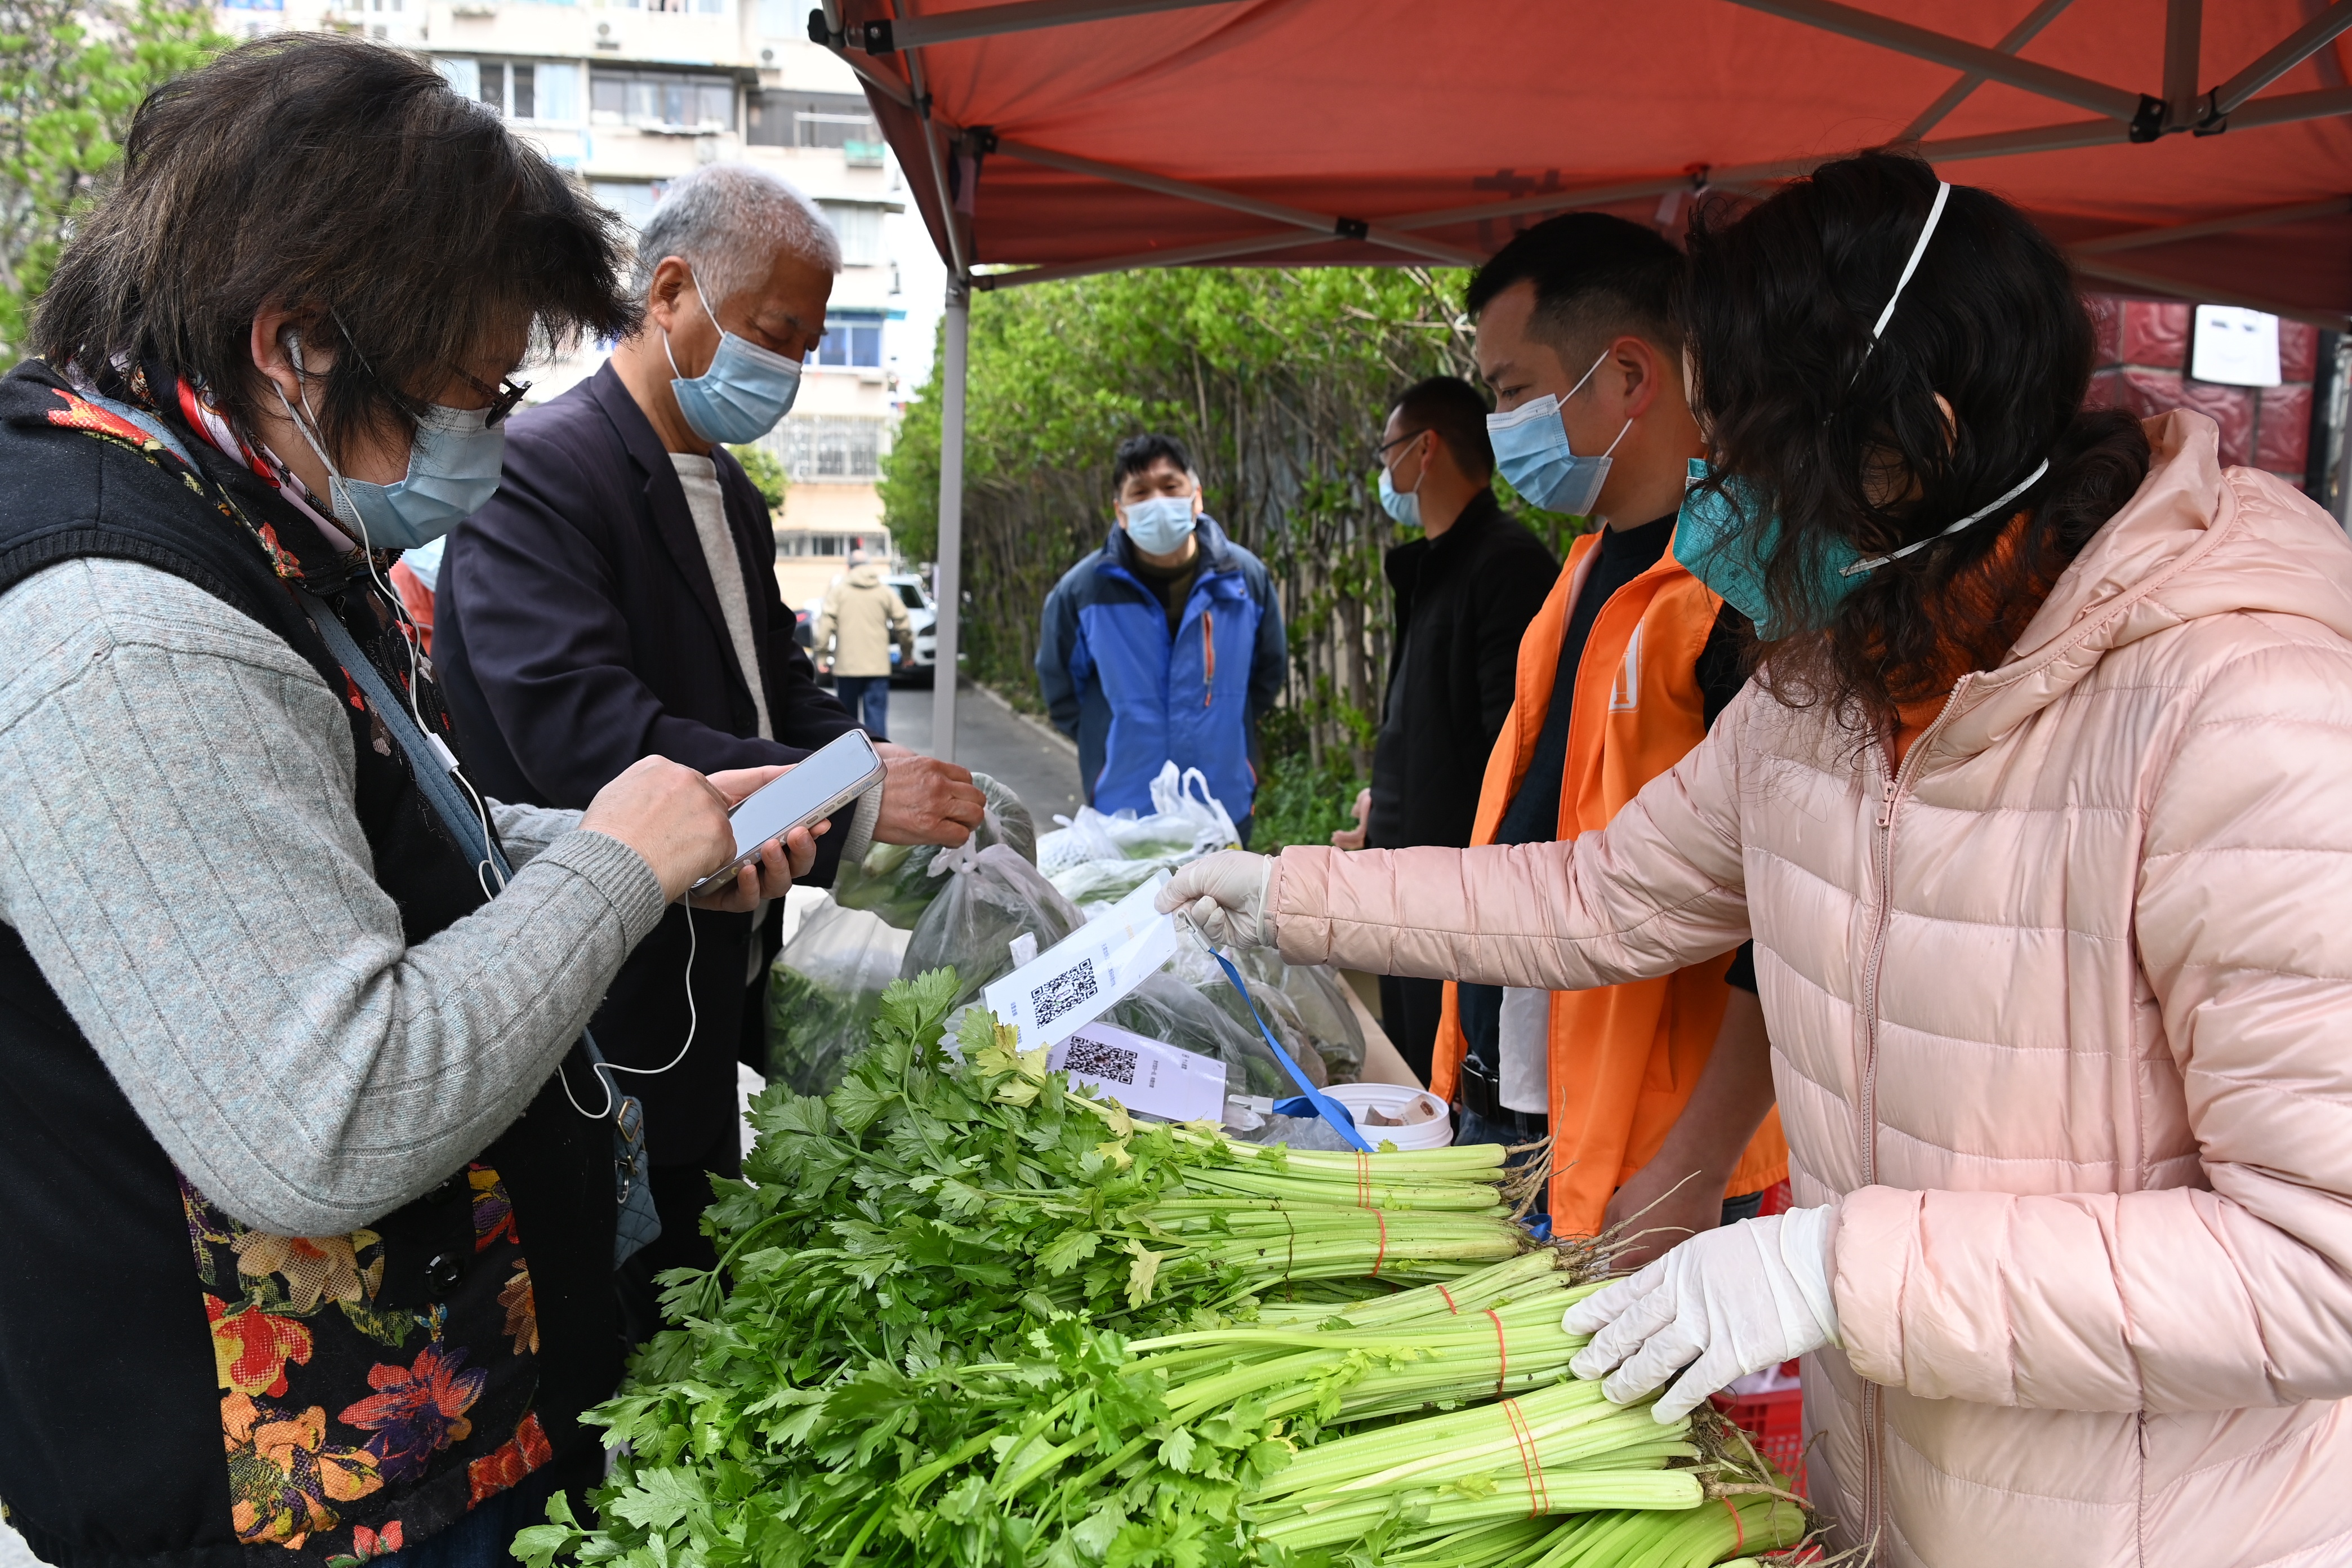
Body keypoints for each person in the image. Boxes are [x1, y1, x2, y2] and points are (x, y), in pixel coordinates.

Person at [1162, 150, 2352, 1563]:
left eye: (1740, 454)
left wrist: (1834, 1266)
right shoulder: (1828, 686)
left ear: (1914, 437)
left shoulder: (2242, 711)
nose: (1709, 499)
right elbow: (1600, 891)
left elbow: (2317, 1265)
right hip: (1896, 1503)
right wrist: (1289, 892)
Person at [0, 37, 815, 1567]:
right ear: (297, 344)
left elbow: (393, 833)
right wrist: (613, 877)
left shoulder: (250, 513)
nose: (491, 442)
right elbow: (327, 1112)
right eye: (474, 391)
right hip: (289, 1501)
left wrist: (633, 847)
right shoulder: (119, 626)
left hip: (438, 1418)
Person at [432, 162, 985, 1322]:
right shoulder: (540, 476)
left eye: (812, 339)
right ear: (672, 292)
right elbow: (587, 736)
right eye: (780, 331)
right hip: (604, 1009)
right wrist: (849, 796)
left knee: (698, 1272)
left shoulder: (729, 491)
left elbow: (783, 684)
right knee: (618, 1315)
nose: (792, 366)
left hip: (716, 982)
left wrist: (885, 782)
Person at [1429, 213, 1787, 1253]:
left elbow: (1782, 915)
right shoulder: (1588, 568)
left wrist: (1693, 1167)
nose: (1499, 424)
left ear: (1628, 374)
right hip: (1528, 1091)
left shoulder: (1745, 589)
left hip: (1650, 1149)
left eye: (1508, 389)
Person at [1330, 376, 1554, 1081]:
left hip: (1459, 899)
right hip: (1410, 879)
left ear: (1423, 451)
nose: (1384, 469)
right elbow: (1424, 727)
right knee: (1411, 1061)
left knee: (1445, 1079)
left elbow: (1510, 754)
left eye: (1388, 449)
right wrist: (1383, 807)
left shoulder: (1505, 564)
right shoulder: (1437, 564)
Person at [1035, 433, 1284, 841]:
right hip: (1125, 809)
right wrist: (1108, 739)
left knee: (1221, 906)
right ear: (1121, 511)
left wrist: (1225, 725)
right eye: (1140, 492)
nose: (1157, 501)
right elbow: (1061, 687)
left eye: (1170, 487)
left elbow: (1266, 675)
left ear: (1196, 497)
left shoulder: (1244, 580)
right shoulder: (1083, 591)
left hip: (1222, 803)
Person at [813, 547, 911, 738]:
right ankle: (881, 762)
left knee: (848, 722)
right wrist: (907, 653)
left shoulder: (839, 591)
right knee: (877, 719)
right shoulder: (884, 592)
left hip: (847, 667)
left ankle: (852, 764)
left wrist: (822, 656)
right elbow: (903, 624)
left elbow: (825, 625)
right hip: (877, 667)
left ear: (849, 567)